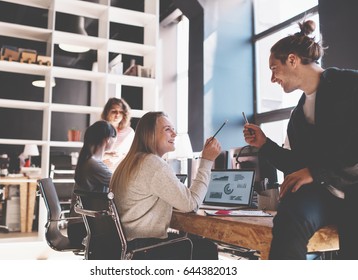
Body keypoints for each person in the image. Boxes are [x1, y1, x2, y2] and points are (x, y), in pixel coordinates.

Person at [243, 20, 358, 259]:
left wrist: (316, 172)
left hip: (352, 190)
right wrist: (264, 144)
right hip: (322, 195)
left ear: (293, 60)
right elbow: (298, 165)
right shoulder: (297, 115)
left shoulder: (349, 84)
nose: (273, 79)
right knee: (288, 220)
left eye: (274, 68)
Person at [110, 111, 222, 259]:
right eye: (168, 129)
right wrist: (206, 161)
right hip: (143, 249)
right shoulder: (153, 163)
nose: (174, 134)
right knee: (206, 249)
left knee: (194, 242)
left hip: (126, 246)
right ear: (151, 135)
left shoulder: (128, 163)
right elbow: (191, 204)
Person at [67, 120, 117, 247]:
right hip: (85, 229)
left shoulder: (88, 161)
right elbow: (121, 184)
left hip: (78, 226)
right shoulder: (94, 165)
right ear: (107, 139)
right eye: (114, 137)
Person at [101, 97, 135, 171]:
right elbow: (90, 156)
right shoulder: (99, 130)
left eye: (121, 112)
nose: (117, 114)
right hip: (101, 172)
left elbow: (132, 155)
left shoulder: (129, 132)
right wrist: (107, 156)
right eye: (114, 111)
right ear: (107, 112)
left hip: (120, 172)